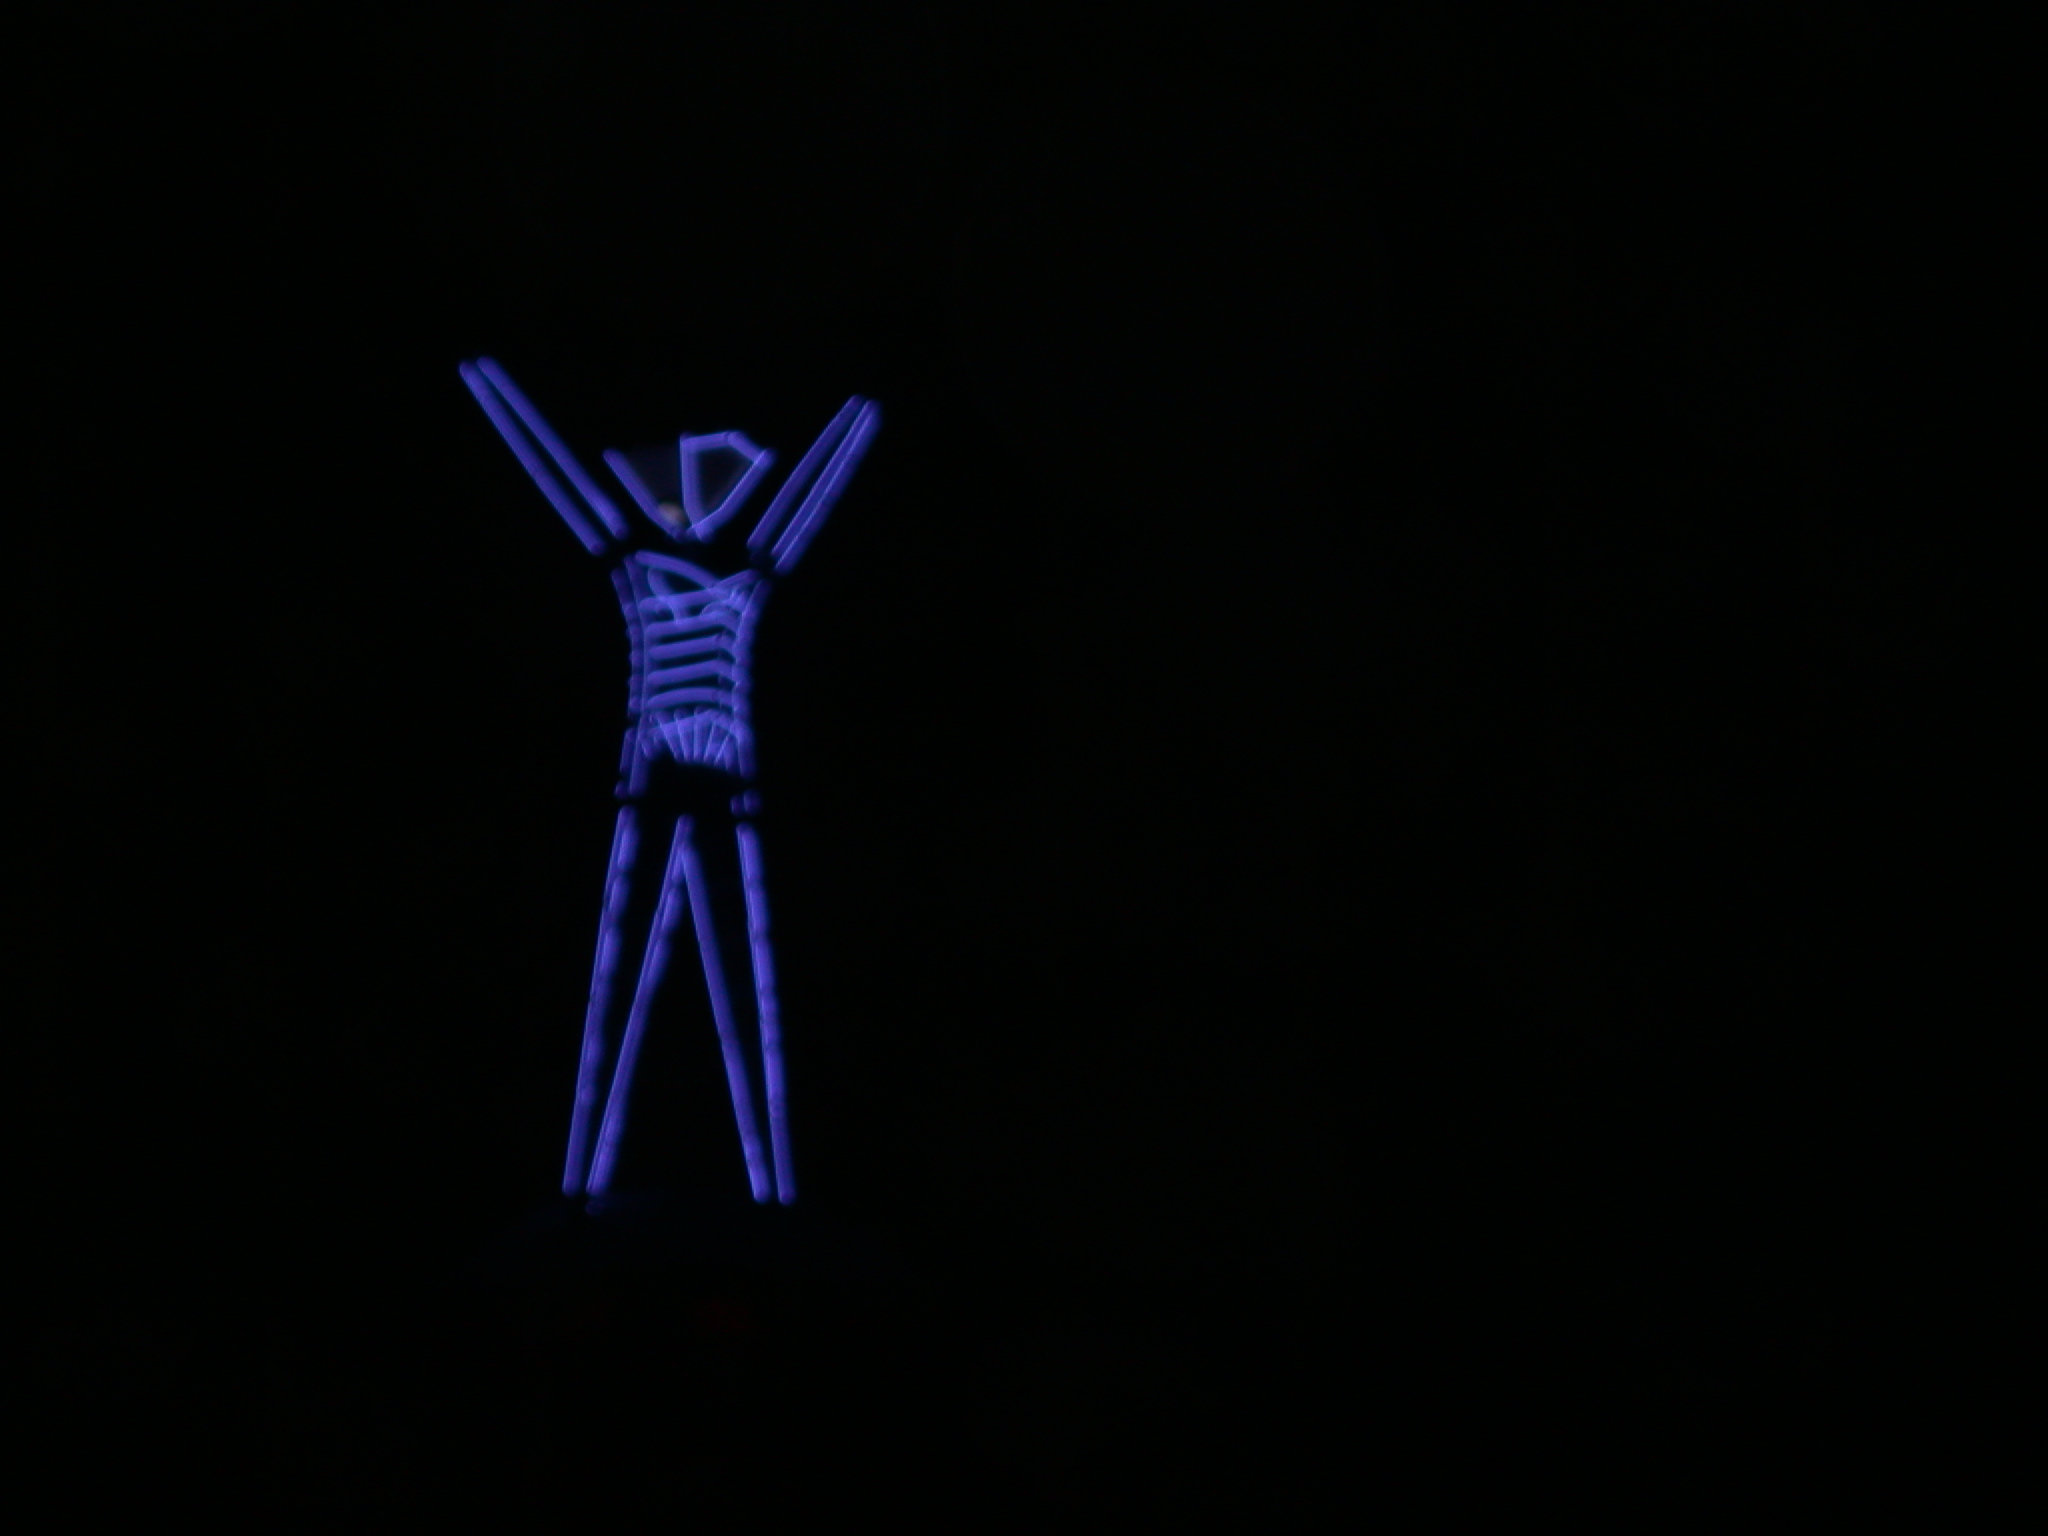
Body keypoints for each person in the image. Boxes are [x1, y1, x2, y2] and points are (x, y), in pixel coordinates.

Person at [460, 358, 879, 1204]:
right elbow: (570, 488)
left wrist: (857, 403)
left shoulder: (743, 573)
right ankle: (594, 1182)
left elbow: (804, 488)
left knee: (740, 983)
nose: (682, 514)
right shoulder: (640, 569)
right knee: (621, 986)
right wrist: (494, 385)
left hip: (717, 766)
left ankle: (765, 1189)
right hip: (656, 765)